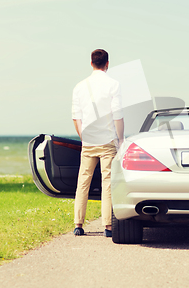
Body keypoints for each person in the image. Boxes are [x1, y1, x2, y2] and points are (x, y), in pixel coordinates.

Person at [72, 49, 124, 237]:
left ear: (91, 63)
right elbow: (117, 115)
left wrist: (83, 136)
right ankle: (108, 226)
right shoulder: (113, 85)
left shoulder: (79, 86)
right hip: (107, 141)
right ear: (107, 63)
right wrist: (121, 140)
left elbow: (76, 117)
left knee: (83, 182)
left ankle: (78, 224)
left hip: (88, 141)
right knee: (107, 182)